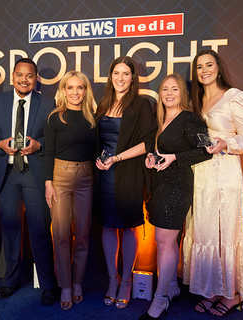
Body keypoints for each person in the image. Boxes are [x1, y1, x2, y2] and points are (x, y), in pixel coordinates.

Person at [182, 49, 243, 316]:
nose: (204, 70)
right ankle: (212, 291)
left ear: (218, 68)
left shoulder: (235, 96)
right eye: (199, 67)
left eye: (209, 65)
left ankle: (231, 295)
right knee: (205, 231)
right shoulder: (196, 100)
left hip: (225, 171)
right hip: (201, 173)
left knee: (226, 232)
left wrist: (227, 142)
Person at [0, 58, 58, 305]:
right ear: (12, 77)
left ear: (36, 79)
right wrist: (0, 144)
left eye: (29, 76)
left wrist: (39, 145)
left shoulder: (47, 103)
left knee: (40, 231)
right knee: (10, 231)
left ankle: (48, 285)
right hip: (7, 174)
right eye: (19, 75)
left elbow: (54, 138)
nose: (24, 79)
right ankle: (10, 280)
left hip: (34, 174)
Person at [139, 74, 212, 319]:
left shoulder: (189, 118)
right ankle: (171, 288)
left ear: (182, 93)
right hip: (159, 184)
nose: (169, 93)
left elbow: (206, 150)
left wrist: (175, 158)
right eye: (164, 89)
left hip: (178, 185)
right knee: (164, 241)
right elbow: (159, 151)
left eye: (175, 89)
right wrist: (153, 158)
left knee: (164, 240)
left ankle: (159, 302)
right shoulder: (159, 118)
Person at [94, 56, 157, 309]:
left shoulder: (141, 104)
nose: (120, 78)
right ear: (111, 76)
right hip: (104, 174)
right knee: (108, 227)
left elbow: (148, 142)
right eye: (116, 73)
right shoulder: (103, 103)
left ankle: (127, 281)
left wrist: (117, 158)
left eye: (126, 73)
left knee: (129, 226)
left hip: (128, 172)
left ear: (133, 78)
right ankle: (112, 280)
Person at [43, 71, 98, 311]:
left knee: (83, 235)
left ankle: (77, 282)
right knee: (62, 234)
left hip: (87, 178)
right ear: (63, 90)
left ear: (86, 90)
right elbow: (48, 152)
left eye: (80, 87)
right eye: (70, 87)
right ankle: (64, 285)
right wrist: (48, 183)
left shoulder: (92, 118)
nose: (75, 92)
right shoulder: (55, 118)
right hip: (60, 178)